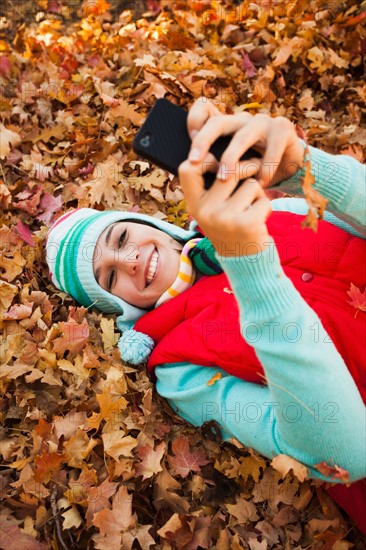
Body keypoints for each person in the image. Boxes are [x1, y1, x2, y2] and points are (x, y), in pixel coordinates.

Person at [46, 98, 366, 533]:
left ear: (146, 223)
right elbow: (344, 455)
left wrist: (307, 168)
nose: (131, 260)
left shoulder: (271, 208)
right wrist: (247, 259)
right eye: (110, 276)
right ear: (114, 307)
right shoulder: (181, 374)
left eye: (122, 236)